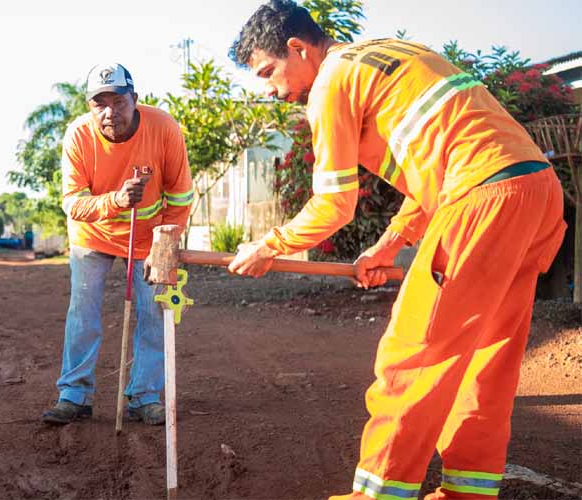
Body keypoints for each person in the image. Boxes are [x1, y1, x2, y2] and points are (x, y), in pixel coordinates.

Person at [227, 2, 566, 499]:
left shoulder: (331, 82)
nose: (272, 90)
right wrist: (387, 246)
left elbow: (335, 206)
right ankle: (469, 493)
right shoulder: (393, 54)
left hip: (480, 198)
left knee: (413, 355)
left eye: (269, 72)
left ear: (298, 48)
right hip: (534, 191)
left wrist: (268, 245)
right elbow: (431, 176)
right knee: (486, 359)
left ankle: (378, 494)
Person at [41, 62, 194, 426]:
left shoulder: (164, 128)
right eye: (100, 104)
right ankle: (74, 394)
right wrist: (116, 201)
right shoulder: (78, 136)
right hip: (92, 234)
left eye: (119, 102)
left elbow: (181, 194)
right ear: (90, 107)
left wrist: (164, 244)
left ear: (135, 100)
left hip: (149, 237)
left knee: (153, 311)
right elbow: (72, 203)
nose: (110, 112)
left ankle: (144, 396)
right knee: (83, 309)